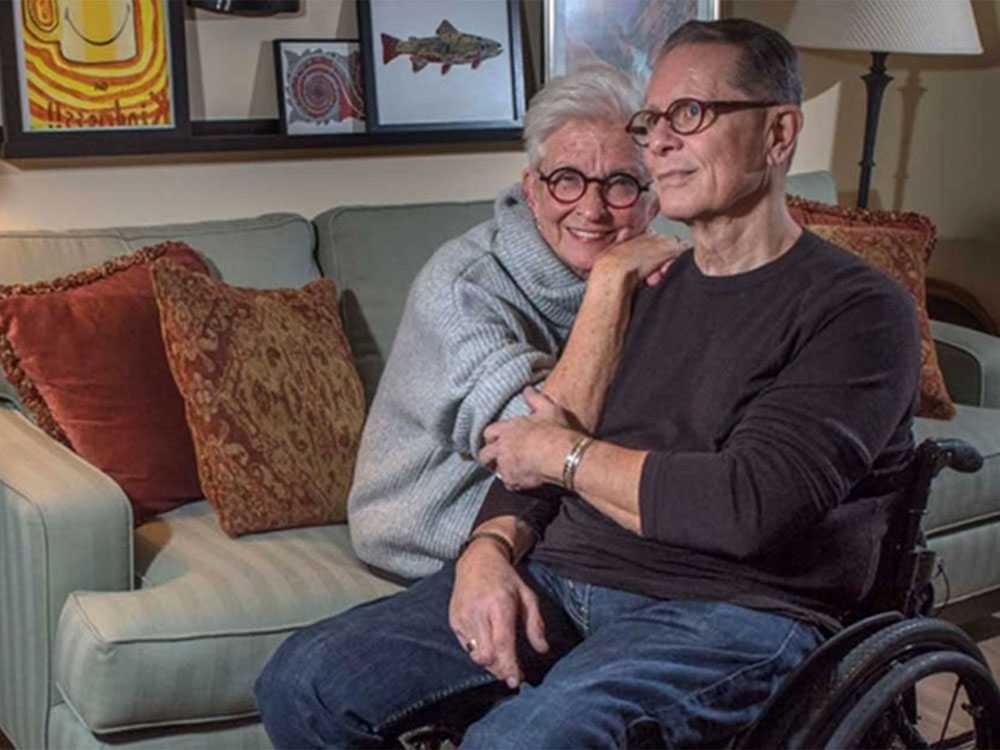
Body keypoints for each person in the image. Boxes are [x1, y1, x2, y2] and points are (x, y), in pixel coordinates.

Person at [256, 18, 922, 749]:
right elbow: (544, 438)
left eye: (691, 114)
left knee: (519, 742)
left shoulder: (857, 309)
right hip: (569, 576)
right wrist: (488, 551)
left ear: (779, 133)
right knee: (305, 679)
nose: (660, 140)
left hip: (737, 611)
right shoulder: (640, 286)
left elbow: (745, 506)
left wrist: (563, 457)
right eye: (655, 119)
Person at [348, 63, 683, 580]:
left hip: (566, 527)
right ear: (532, 188)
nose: (591, 209)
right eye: (567, 180)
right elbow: (529, 447)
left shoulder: (661, 274)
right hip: (435, 539)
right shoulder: (461, 287)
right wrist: (611, 282)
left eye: (619, 184)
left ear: (651, 200)